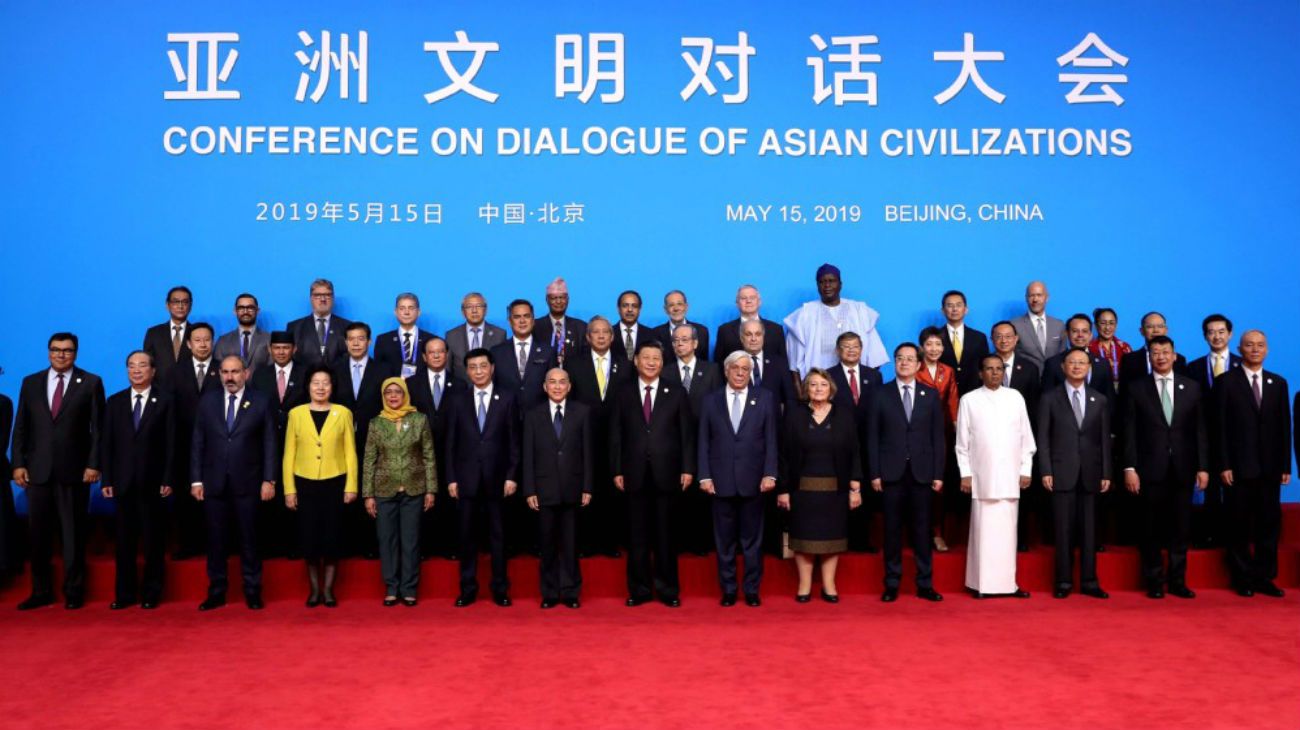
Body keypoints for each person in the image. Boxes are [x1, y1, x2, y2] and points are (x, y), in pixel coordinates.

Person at [12, 333, 105, 610]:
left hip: (74, 471)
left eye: (67, 350)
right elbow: (21, 427)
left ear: (76, 353)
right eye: (56, 350)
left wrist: (94, 464)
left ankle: (73, 591)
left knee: (72, 534)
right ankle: (41, 591)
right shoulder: (31, 383)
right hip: (37, 472)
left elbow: (99, 429)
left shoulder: (90, 382)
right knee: (38, 535)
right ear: (48, 352)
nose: (61, 355)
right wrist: (18, 463)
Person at [610, 340, 695, 607]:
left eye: (656, 358)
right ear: (636, 361)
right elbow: (615, 434)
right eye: (645, 357)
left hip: (667, 473)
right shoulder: (622, 392)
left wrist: (688, 468)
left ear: (662, 362)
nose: (650, 362)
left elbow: (686, 435)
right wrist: (616, 469)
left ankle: (668, 590)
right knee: (637, 536)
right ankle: (639, 590)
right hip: (633, 473)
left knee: (666, 535)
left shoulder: (677, 392)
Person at [1122, 335, 1208, 599]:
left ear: (1174, 355)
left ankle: (1178, 581)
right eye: (1155, 352)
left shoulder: (1191, 387)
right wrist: (1129, 468)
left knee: (1181, 528)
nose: (1160, 356)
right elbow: (1129, 431)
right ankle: (1154, 581)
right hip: (1149, 469)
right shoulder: (1136, 388)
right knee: (1150, 528)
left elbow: (1200, 431)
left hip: (1183, 468)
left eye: (1165, 352)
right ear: (1149, 356)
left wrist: (1203, 467)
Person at [190, 356, 277, 611]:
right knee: (216, 541)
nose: (230, 377)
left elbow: (270, 443)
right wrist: (196, 480)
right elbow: (198, 442)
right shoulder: (207, 401)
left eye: (235, 372)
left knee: (249, 540)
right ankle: (217, 591)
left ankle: (252, 590)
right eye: (225, 372)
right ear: (219, 374)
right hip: (213, 483)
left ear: (246, 373)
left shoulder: (261, 401)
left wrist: (268, 479)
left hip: (249, 484)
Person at [697, 352, 778, 607]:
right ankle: (729, 589)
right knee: (724, 541)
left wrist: (770, 473)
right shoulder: (711, 400)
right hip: (719, 482)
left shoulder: (764, 398)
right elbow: (703, 441)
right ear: (726, 371)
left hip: (754, 481)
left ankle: (752, 589)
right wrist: (705, 475)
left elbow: (771, 440)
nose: (741, 373)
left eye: (746, 368)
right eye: (736, 368)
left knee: (752, 541)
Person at [867, 343, 946, 603]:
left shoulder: (930, 394)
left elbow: (938, 437)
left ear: (919, 364)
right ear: (894, 361)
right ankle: (891, 583)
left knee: (922, 531)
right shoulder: (880, 394)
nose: (904, 363)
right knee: (891, 531)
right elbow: (873, 437)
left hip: (922, 474)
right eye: (900, 358)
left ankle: (925, 583)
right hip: (890, 474)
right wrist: (875, 473)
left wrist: (938, 473)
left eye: (910, 359)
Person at [1215, 330, 1291, 598]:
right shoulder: (1226, 382)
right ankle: (1242, 577)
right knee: (1238, 525)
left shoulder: (1278, 383)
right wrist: (1223, 464)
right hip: (1238, 468)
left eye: (1260, 345)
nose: (1255, 349)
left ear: (1267, 350)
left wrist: (1285, 465)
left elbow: (1284, 426)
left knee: (1269, 525)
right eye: (1249, 345)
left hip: (1270, 469)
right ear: (1240, 348)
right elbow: (1220, 427)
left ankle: (1264, 577)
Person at [777, 368, 861, 603]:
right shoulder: (794, 415)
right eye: (813, 385)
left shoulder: (844, 415)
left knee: (832, 539)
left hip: (836, 490)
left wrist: (855, 488)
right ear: (806, 389)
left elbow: (855, 451)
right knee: (804, 540)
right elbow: (782, 454)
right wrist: (783, 489)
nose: (818, 389)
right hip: (802, 490)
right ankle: (804, 586)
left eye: (823, 385)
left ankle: (829, 585)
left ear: (831, 388)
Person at [956, 355, 1036, 599]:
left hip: (1011, 475)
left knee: (1007, 535)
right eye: (989, 369)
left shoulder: (1015, 398)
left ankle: (1008, 585)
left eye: (999, 369)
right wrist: (966, 474)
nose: (994, 373)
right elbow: (962, 443)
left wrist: (1026, 469)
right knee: (983, 533)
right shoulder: (969, 400)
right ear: (980, 373)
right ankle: (980, 584)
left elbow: (1026, 438)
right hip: (982, 475)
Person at [445, 348, 520, 607]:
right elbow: (450, 443)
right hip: (465, 480)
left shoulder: (507, 399)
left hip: (498, 480)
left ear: (492, 368)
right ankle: (468, 588)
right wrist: (451, 478)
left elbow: (514, 441)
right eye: (473, 367)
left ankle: (500, 588)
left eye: (483, 366)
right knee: (467, 537)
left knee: (499, 537)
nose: (478, 371)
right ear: (467, 371)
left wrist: (512, 475)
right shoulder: (457, 400)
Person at [101, 351, 174, 610]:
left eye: (142, 366)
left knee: (153, 542)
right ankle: (125, 594)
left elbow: (171, 444)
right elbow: (106, 443)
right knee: (124, 543)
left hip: (154, 483)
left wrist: (168, 477)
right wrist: (107, 478)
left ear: (153, 370)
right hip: (122, 483)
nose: (137, 371)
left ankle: (152, 593)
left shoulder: (164, 400)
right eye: (131, 366)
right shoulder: (115, 401)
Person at [1038, 347, 1112, 599]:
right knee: (1063, 530)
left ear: (1089, 367)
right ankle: (1063, 581)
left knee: (1090, 531)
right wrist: (1045, 469)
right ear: (1063, 367)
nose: (1077, 366)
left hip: (1091, 473)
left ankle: (1090, 581)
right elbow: (1043, 438)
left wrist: (1106, 472)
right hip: (1061, 471)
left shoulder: (1099, 399)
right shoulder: (1050, 398)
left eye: (1082, 362)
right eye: (1072, 362)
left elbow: (1104, 439)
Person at [283, 364, 359, 607]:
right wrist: (289, 489)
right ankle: (314, 590)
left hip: (335, 481)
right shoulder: (296, 414)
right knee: (310, 538)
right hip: (304, 483)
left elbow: (351, 452)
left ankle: (328, 590)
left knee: (332, 538)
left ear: (332, 386)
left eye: (325, 382)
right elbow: (288, 454)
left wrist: (351, 486)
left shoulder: (343, 412)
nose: (320, 387)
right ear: (308, 386)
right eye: (316, 382)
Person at [522, 368, 593, 609]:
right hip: (543, 489)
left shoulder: (582, 413)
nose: (557, 386)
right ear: (544, 387)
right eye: (552, 382)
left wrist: (587, 486)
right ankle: (550, 592)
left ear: (570, 386)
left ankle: (571, 591)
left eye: (562, 382)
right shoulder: (533, 415)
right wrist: (529, 489)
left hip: (573, 487)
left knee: (571, 545)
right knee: (547, 544)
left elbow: (588, 453)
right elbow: (528, 455)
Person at [364, 377, 436, 606]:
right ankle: (392, 587)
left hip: (414, 489)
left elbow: (428, 456)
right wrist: (368, 494)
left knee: (411, 541)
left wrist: (431, 490)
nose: (393, 396)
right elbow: (369, 460)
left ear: (405, 394)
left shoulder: (419, 420)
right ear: (383, 396)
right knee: (387, 541)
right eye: (388, 393)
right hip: (384, 490)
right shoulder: (376, 423)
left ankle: (409, 588)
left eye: (398, 392)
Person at [331, 321, 396, 557]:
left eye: (361, 339)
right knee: (345, 490)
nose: (356, 343)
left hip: (375, 439)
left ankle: (370, 545)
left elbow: (390, 404)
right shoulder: (334, 368)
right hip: (341, 439)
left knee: (372, 491)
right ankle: (346, 544)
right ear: (346, 342)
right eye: (352, 339)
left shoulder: (384, 370)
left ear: (369, 342)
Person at [566, 315, 629, 558]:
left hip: (616, 438)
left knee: (612, 490)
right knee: (584, 488)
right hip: (583, 437)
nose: (601, 336)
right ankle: (585, 543)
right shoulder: (574, 364)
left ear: (613, 337)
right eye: (596, 332)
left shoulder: (624, 364)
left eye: (606, 332)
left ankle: (610, 542)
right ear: (588, 337)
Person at [661, 323, 722, 556]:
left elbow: (718, 405)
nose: (679, 344)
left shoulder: (712, 370)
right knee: (676, 494)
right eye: (676, 340)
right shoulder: (665, 372)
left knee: (702, 495)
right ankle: (677, 541)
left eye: (684, 340)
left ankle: (701, 542)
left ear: (696, 343)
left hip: (705, 441)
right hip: (673, 443)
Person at [249, 331, 308, 558]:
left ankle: (295, 545)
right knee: (269, 493)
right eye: (277, 348)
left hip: (299, 441)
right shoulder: (260, 375)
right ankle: (271, 545)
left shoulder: (305, 372)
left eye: (286, 348)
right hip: (267, 442)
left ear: (294, 349)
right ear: (269, 350)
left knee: (295, 493)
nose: (281, 352)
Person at [166, 322, 221, 559]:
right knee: (184, 497)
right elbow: (168, 411)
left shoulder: (223, 370)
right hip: (183, 444)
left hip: (217, 445)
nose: (202, 344)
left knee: (214, 496)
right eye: (197, 340)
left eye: (207, 339)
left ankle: (214, 544)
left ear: (213, 342)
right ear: (188, 344)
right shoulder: (174, 372)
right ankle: (187, 543)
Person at [785, 264, 888, 389]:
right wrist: (801, 393)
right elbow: (793, 363)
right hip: (818, 388)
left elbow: (875, 356)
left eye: (831, 281)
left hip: (855, 387)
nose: (827, 285)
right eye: (822, 282)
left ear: (840, 284)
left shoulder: (859, 311)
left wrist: (861, 380)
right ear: (817, 285)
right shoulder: (804, 314)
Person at [406, 336, 462, 559]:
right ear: (424, 357)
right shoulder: (411, 384)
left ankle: (450, 546)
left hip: (452, 451)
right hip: (420, 452)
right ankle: (424, 548)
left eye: (441, 352)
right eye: (432, 352)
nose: (437, 355)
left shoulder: (459, 384)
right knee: (422, 501)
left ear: (447, 355)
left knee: (450, 500)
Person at [1186, 314, 1240, 548]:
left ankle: (1233, 536)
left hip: (1235, 439)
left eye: (1221, 331)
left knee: (1235, 491)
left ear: (1230, 334)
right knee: (1207, 489)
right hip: (1204, 437)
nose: (1216, 336)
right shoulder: (1194, 367)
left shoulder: (1242, 364)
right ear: (1205, 336)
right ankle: (1208, 535)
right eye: (1211, 332)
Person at [827, 331, 882, 554]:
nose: (851, 350)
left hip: (868, 443)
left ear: (862, 349)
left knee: (865, 493)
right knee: (839, 492)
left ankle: (861, 540)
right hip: (838, 444)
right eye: (846, 347)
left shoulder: (874, 376)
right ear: (838, 351)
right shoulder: (828, 376)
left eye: (855, 346)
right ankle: (840, 538)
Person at [991, 320, 1043, 551]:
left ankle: (1019, 539)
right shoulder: (983, 365)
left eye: (1008, 336)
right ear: (992, 340)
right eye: (998, 337)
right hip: (990, 441)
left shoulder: (1029, 368)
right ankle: (995, 539)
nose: (1003, 340)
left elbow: (1034, 407)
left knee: (1020, 492)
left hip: (1018, 440)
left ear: (1016, 339)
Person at [915, 327, 959, 553]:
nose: (934, 349)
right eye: (929, 344)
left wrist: (957, 431)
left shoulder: (948, 371)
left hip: (941, 435)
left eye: (938, 344)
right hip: (916, 434)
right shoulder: (914, 368)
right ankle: (918, 534)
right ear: (922, 347)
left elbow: (953, 403)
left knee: (939, 486)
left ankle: (938, 533)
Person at [491, 299, 558, 420]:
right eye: (517, 317)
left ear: (533, 320)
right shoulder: (497, 352)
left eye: (526, 316)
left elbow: (553, 386)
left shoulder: (548, 351)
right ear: (510, 321)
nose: (522, 321)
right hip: (505, 419)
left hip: (540, 419)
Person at [713, 284, 787, 366]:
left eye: (752, 298)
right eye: (744, 298)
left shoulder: (776, 329)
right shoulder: (724, 330)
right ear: (737, 303)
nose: (748, 301)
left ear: (759, 302)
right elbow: (718, 365)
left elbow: (783, 362)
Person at [1041, 314, 1115, 394]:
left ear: (1090, 335)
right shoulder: (1053, 363)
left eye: (1084, 331)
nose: (1080, 335)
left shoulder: (1103, 364)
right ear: (1067, 333)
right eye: (1075, 331)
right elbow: (1046, 399)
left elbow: (1110, 399)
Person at [287, 278, 352, 367]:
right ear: (311, 298)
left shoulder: (347, 326)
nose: (323, 299)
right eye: (317, 295)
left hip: (338, 379)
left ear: (333, 298)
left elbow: (350, 356)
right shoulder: (294, 327)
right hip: (304, 379)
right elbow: (290, 358)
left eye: (327, 295)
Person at [445, 292, 507, 382]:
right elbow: (448, 368)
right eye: (469, 307)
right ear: (463, 312)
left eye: (478, 306)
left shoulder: (499, 334)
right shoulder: (451, 335)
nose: (474, 310)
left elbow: (502, 368)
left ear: (485, 310)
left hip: (491, 390)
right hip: (461, 391)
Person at [937, 289, 989, 394]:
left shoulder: (979, 337)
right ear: (943, 310)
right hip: (943, 394)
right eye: (950, 305)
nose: (954, 309)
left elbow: (984, 366)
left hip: (974, 393)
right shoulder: (935, 337)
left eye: (958, 305)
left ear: (966, 309)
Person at [1009, 281, 1066, 373]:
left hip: (1054, 382)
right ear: (1026, 298)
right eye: (1031, 295)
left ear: (1047, 298)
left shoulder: (1059, 325)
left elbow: (1062, 356)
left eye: (1039, 295)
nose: (1035, 299)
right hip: (1026, 379)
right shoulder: (1014, 325)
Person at [1119, 312, 1189, 385]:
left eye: (1160, 326)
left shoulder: (1179, 360)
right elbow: (1124, 391)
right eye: (1150, 327)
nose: (1156, 330)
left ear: (1166, 330)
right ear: (1141, 331)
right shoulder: (1129, 360)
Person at [375, 293, 433, 379]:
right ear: (396, 312)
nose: (406, 312)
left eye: (411, 308)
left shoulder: (430, 339)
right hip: (393, 391)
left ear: (418, 312)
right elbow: (378, 371)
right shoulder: (383, 340)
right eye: (402, 308)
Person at [141, 285, 193, 381]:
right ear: (167, 305)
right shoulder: (154, 333)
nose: (180, 306)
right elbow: (147, 364)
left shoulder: (196, 333)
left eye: (185, 302)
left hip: (190, 391)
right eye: (176, 301)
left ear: (190, 306)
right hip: (160, 390)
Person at [533, 277, 587, 365]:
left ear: (568, 300)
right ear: (547, 300)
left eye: (562, 297)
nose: (558, 301)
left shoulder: (581, 327)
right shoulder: (535, 326)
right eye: (554, 298)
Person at [214, 293, 270, 374]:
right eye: (241, 308)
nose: (245, 311)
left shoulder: (268, 339)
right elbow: (218, 369)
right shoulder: (223, 341)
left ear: (258, 311)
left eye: (250, 308)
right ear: (235, 311)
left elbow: (273, 370)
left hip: (261, 386)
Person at [651, 290, 711, 361]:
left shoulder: (701, 331)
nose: (676, 308)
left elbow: (704, 363)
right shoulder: (654, 334)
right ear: (665, 309)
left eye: (679, 304)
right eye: (671, 305)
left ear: (686, 307)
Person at [1088, 307, 1130, 390]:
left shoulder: (1124, 347)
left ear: (1116, 325)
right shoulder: (1089, 348)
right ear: (1096, 325)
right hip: (1097, 390)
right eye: (1103, 323)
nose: (1107, 327)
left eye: (1111, 323)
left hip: (1123, 390)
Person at [610, 290, 650, 362]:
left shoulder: (651, 335)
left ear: (640, 309)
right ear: (618, 309)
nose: (630, 310)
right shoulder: (609, 333)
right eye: (625, 305)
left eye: (634, 306)